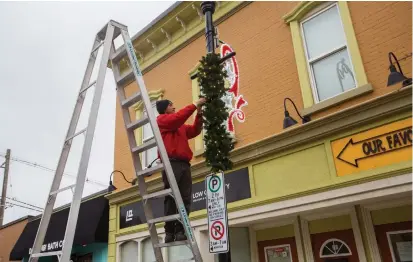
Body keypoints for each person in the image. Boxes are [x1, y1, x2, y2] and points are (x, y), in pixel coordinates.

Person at [156, 97, 206, 243]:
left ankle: (180, 230)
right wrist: (194, 104)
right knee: (171, 197)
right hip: (171, 163)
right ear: (165, 108)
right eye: (171, 104)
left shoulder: (180, 126)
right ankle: (169, 232)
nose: (174, 106)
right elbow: (178, 118)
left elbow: (194, 130)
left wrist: (199, 113)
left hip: (184, 164)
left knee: (185, 198)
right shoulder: (161, 120)